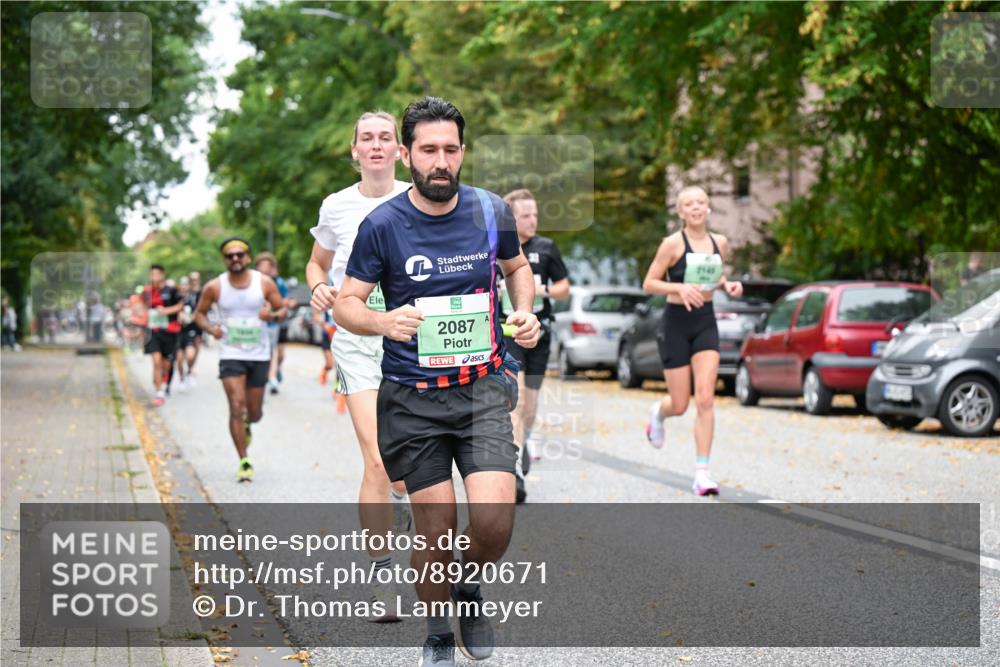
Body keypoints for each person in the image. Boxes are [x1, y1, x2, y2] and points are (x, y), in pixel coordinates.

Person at [335, 97, 540, 666]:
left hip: (479, 391)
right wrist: (381, 320)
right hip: (414, 400)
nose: (441, 161)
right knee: (437, 531)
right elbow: (347, 305)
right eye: (428, 150)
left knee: (495, 523)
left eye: (451, 150)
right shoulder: (382, 225)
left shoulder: (490, 210)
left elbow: (516, 268)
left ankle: (467, 588)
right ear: (407, 154)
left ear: (462, 152)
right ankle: (437, 635)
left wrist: (523, 312)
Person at [306, 110, 413, 618]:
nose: (375, 145)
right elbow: (316, 262)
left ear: (400, 149)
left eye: (384, 138)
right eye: (366, 138)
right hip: (357, 337)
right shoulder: (337, 205)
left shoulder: (420, 197)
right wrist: (318, 286)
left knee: (409, 468)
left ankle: (411, 514)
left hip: (414, 337)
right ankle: (382, 573)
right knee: (378, 458)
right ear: (354, 151)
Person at [642, 186, 743, 496]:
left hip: (705, 323)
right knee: (681, 404)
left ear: (708, 208)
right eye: (689, 204)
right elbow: (649, 283)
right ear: (681, 211)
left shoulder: (720, 243)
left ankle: (702, 472)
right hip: (675, 325)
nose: (696, 208)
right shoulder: (672, 245)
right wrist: (678, 289)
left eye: (701, 202)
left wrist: (728, 285)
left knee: (706, 398)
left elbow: (715, 276)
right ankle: (658, 413)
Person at [194, 238, 287, 482]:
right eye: (229, 256)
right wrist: (210, 329)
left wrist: (271, 315)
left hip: (259, 354)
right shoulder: (214, 287)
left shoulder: (263, 283)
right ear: (224, 260)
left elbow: (282, 311)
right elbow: (199, 315)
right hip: (230, 354)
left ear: (247, 257)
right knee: (236, 405)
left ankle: (249, 423)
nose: (235, 259)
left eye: (240, 254)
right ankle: (244, 460)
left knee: (255, 413)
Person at [498, 189, 570, 503]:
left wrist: (545, 291)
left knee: (530, 406)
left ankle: (523, 440)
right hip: (508, 334)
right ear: (510, 219)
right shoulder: (497, 249)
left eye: (535, 215)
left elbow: (565, 288)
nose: (532, 221)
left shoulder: (546, 247)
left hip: (539, 333)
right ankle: (515, 471)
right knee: (515, 400)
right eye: (525, 216)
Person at [142, 265, 184, 406]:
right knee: (156, 362)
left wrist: (166, 310)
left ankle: (164, 383)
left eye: (155, 274)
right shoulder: (146, 292)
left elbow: (180, 306)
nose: (153, 277)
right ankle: (159, 392)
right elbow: (141, 308)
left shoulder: (171, 290)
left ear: (162, 275)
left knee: (166, 364)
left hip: (170, 331)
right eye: (151, 274)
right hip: (153, 332)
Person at [254, 253, 293, 395]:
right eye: (261, 266)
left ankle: (272, 376)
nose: (264, 269)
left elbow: (285, 303)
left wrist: (273, 313)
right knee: (262, 352)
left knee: (273, 351)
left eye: (267, 266)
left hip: (272, 324)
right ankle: (263, 378)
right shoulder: (250, 282)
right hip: (254, 325)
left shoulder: (278, 282)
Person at [178, 272, 203, 387]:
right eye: (192, 279)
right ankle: (182, 378)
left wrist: (194, 317)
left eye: (196, 279)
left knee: (192, 352)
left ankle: (190, 370)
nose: (194, 281)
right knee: (179, 358)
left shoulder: (200, 293)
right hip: (179, 329)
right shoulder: (179, 295)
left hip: (194, 327)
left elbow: (204, 308)